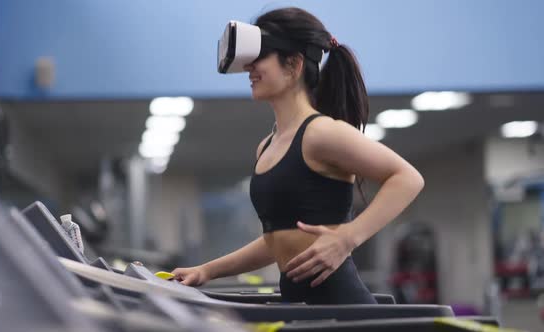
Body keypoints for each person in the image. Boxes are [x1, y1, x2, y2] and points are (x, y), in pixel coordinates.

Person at [171, 7, 425, 305]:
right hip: (301, 309)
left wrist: (347, 237)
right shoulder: (267, 146)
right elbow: (277, 241)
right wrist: (207, 270)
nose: (250, 69)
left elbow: (408, 178)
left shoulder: (321, 133)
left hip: (345, 310)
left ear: (293, 65)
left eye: (260, 58)